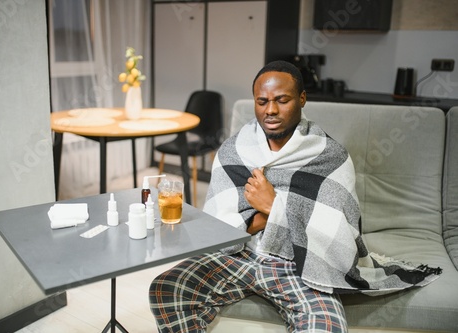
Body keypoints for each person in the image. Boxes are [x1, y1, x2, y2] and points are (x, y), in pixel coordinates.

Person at [149, 61, 440, 333]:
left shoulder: (330, 156)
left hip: (298, 263)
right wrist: (265, 216)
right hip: (240, 255)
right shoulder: (234, 150)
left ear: (301, 99)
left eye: (282, 100)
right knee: (165, 288)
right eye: (262, 102)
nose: (270, 110)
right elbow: (219, 224)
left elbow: (338, 233)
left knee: (326, 325)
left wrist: (273, 206)